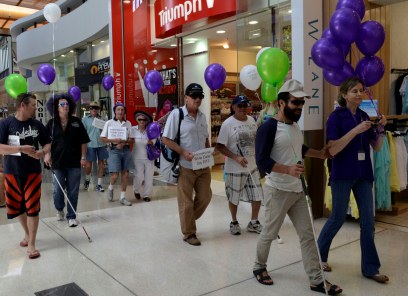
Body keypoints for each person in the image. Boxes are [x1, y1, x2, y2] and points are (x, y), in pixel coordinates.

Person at [253, 79, 342, 295]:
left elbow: (298, 148)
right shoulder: (268, 127)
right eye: (295, 103)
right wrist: (288, 170)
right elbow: (262, 160)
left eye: (302, 103)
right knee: (269, 233)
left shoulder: (294, 126)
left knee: (307, 235)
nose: (300, 107)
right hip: (277, 190)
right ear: (282, 103)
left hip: (298, 190)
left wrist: (319, 154)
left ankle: (316, 280)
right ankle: (259, 266)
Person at [317, 77, 389, 284]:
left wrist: (381, 129)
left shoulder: (365, 115)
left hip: (363, 174)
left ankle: (370, 268)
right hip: (342, 174)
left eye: (361, 91)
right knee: (337, 218)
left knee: (368, 222)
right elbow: (332, 148)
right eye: (354, 91)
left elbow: (375, 147)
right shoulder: (336, 117)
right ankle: (319, 256)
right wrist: (355, 131)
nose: (358, 94)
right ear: (343, 94)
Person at [0, 93, 52, 259]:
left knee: (32, 208)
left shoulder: (37, 124)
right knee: (17, 208)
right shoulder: (6, 123)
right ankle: (27, 233)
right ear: (22, 105)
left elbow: (48, 142)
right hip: (12, 172)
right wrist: (21, 149)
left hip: (32, 173)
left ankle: (32, 244)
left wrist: (43, 153)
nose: (36, 108)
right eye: (33, 105)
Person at [162, 83, 212, 246]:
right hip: (185, 166)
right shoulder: (177, 115)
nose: (198, 100)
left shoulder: (203, 116)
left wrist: (208, 151)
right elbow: (166, 139)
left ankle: (187, 218)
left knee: (206, 196)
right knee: (186, 202)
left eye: (200, 97)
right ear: (186, 98)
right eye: (194, 96)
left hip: (203, 165)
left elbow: (205, 137)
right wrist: (183, 152)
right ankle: (189, 233)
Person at [216, 95, 263, 235]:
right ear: (233, 107)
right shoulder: (227, 124)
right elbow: (220, 146)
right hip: (234, 168)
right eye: (239, 106)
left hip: (252, 166)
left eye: (245, 105)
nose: (242, 108)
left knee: (258, 195)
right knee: (234, 197)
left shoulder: (252, 120)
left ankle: (254, 222)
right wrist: (236, 157)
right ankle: (234, 221)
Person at [45, 94, 90, 227]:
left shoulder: (76, 121)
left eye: (67, 104)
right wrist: (47, 154)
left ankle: (72, 216)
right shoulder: (51, 123)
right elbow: (46, 142)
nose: (65, 107)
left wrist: (83, 157)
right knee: (57, 190)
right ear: (56, 107)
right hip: (57, 162)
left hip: (74, 162)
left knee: (73, 190)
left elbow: (83, 141)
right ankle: (59, 209)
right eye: (62, 104)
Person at [100, 102, 134, 206]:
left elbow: (132, 139)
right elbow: (102, 138)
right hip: (114, 150)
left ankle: (122, 197)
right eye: (118, 109)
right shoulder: (109, 123)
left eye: (122, 110)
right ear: (115, 111)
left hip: (126, 150)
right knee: (115, 175)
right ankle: (110, 187)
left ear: (124, 112)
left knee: (125, 174)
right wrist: (114, 140)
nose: (120, 112)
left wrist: (124, 142)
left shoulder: (128, 123)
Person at [82, 101, 109, 192]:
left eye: (96, 108)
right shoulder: (85, 119)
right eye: (92, 108)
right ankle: (87, 179)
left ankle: (99, 184)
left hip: (101, 144)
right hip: (90, 144)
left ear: (98, 109)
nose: (94, 109)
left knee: (101, 164)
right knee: (89, 165)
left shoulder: (103, 119)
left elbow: (107, 132)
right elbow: (83, 133)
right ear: (89, 109)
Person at [130, 110, 155, 202]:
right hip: (137, 157)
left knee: (149, 176)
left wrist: (152, 142)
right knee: (138, 176)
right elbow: (128, 139)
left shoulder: (151, 130)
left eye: (143, 120)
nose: (141, 121)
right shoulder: (132, 129)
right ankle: (136, 190)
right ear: (137, 120)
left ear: (146, 121)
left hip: (149, 157)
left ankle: (146, 195)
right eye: (139, 119)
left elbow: (156, 139)